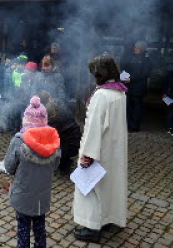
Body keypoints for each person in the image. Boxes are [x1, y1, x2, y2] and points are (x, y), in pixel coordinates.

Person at [73, 55, 128, 243]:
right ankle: (108, 218)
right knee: (110, 185)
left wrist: (87, 155)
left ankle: (92, 226)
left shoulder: (102, 95)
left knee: (92, 188)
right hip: (114, 150)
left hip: (100, 151)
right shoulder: (120, 93)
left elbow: (93, 128)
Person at [4, 96, 60, 248]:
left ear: (25, 120)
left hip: (23, 194)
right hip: (42, 196)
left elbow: (9, 167)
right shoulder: (54, 142)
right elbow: (55, 166)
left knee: (23, 230)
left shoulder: (18, 141)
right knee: (40, 228)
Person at [39, 91, 81, 174]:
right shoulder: (59, 106)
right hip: (73, 138)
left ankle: (64, 162)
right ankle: (63, 160)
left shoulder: (56, 119)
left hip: (71, 144)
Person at [121, 41, 152, 132]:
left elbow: (145, 74)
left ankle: (135, 126)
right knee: (128, 106)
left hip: (139, 87)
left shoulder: (147, 60)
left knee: (137, 107)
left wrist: (132, 79)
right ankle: (128, 125)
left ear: (142, 50)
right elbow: (124, 66)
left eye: (138, 48)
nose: (136, 49)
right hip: (128, 86)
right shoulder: (131, 56)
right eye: (135, 47)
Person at [162, 62, 173, 136]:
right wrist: (164, 93)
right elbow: (165, 84)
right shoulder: (170, 74)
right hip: (171, 96)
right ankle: (170, 127)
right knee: (171, 112)